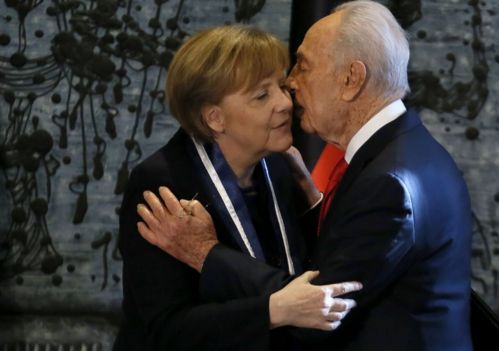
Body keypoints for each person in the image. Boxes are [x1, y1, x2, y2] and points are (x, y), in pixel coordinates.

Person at [138, 1, 474, 350]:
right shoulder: (406, 149)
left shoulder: (387, 182)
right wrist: (316, 208)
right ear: (214, 118)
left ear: (350, 79)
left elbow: (317, 307)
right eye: (262, 93)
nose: (291, 88)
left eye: (303, 67)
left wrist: (206, 253)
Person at [114, 25, 363, 351]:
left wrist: (312, 198)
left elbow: (303, 270)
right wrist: (274, 311)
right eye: (261, 95)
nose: (285, 103)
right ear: (215, 118)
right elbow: (169, 328)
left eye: (280, 85)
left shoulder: (277, 163)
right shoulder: (162, 183)